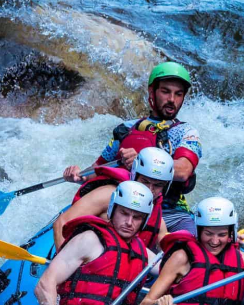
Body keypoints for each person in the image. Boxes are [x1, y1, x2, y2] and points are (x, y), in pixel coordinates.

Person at [63, 62, 201, 234]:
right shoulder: (126, 129)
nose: (172, 99)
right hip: (128, 209)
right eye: (165, 92)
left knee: (195, 252)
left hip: (170, 212)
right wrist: (79, 175)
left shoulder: (186, 132)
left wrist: (141, 161)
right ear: (152, 92)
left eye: (178, 94)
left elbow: (184, 170)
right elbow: (100, 169)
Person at [35, 181, 160, 305]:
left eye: (136, 217)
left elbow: (173, 270)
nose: (129, 222)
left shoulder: (141, 251)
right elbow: (44, 285)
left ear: (143, 221)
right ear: (112, 210)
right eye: (124, 213)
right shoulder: (90, 239)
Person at [52, 147, 172, 252]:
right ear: (135, 175)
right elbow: (61, 223)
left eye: (157, 185)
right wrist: (64, 264)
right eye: (145, 181)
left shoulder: (157, 219)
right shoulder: (108, 194)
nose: (150, 189)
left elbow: (166, 251)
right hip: (85, 259)